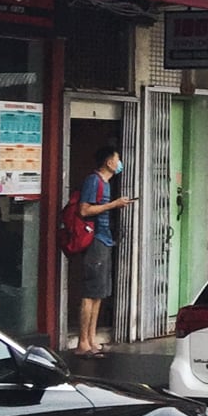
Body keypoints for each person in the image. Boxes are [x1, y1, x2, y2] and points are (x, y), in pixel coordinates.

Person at [75, 145, 133, 357]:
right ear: (109, 162)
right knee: (91, 292)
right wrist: (113, 205)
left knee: (99, 293)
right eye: (117, 159)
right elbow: (84, 209)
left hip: (105, 240)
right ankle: (83, 342)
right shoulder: (94, 181)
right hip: (95, 240)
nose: (119, 163)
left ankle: (92, 338)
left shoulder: (106, 183)